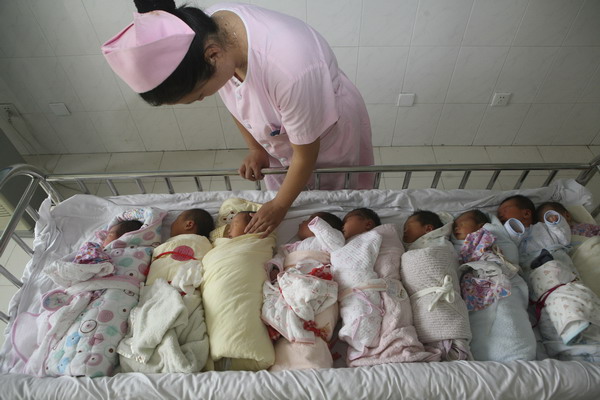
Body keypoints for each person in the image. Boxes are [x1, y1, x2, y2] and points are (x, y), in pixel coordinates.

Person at [101, 0, 374, 237]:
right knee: (289, 190)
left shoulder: (291, 69)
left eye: (199, 95)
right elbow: (236, 100)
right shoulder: (208, 33)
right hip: (280, 128)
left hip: (326, 132)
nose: (202, 99)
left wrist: (280, 206)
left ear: (213, 56)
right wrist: (256, 148)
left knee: (336, 199)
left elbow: (306, 155)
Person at [451, 210, 535, 362]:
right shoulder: (457, 248)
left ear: (480, 225)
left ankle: (516, 349)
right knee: (479, 326)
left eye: (461, 224)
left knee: (508, 314)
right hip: (475, 291)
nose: (456, 228)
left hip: (503, 283)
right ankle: (484, 354)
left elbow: (510, 253)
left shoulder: (494, 236)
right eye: (455, 226)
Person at [146, 208, 215, 288]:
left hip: (159, 287)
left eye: (176, 220)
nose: (172, 224)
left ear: (188, 225)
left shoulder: (201, 244)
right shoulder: (207, 245)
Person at [536, 201, 600, 238]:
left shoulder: (583, 227)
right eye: (547, 226)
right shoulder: (554, 240)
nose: (552, 226)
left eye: (553, 218)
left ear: (567, 215)